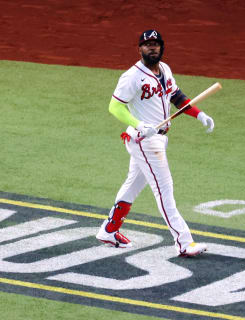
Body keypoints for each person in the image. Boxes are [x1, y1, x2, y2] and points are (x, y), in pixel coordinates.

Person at [95, 29, 214, 257]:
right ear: (139, 48)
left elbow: (176, 96)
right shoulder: (132, 76)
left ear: (161, 47)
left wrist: (198, 114)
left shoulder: (165, 69)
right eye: (147, 44)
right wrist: (139, 124)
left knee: (133, 185)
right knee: (164, 190)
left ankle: (109, 230)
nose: (152, 48)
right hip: (145, 141)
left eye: (156, 44)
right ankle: (184, 242)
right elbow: (115, 107)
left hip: (157, 138)